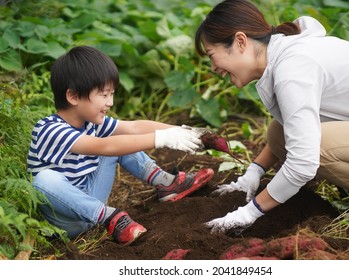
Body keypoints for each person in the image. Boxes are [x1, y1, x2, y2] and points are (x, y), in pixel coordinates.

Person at [195, 0, 349, 250]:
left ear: (240, 41)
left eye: (212, 56)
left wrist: (248, 213)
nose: (214, 68)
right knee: (280, 132)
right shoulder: (286, 53)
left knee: (317, 149)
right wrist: (253, 172)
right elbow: (290, 130)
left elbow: (303, 163)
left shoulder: (293, 68)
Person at [27, 45, 214, 245]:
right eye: (104, 94)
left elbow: (133, 127)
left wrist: (180, 131)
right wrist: (161, 138)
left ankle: (166, 184)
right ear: (73, 96)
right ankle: (111, 217)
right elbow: (104, 147)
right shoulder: (49, 129)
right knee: (44, 180)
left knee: (121, 139)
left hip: (93, 201)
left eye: (112, 94)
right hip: (66, 220)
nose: (111, 102)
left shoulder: (91, 123)